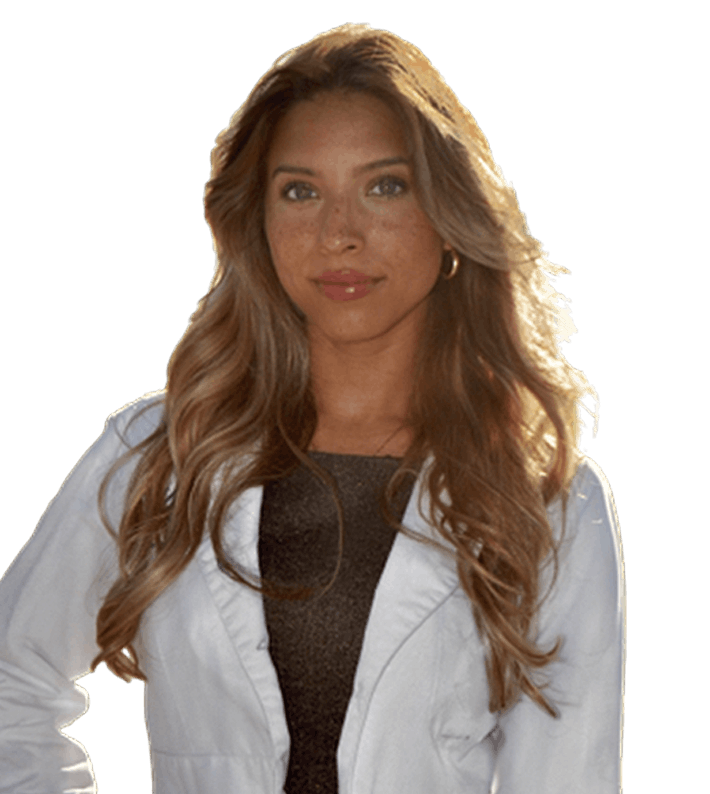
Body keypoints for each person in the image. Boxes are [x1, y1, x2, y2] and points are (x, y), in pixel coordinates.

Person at [0, 22, 624, 794]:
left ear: (450, 213)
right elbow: (10, 684)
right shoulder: (162, 451)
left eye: (385, 186)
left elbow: (566, 782)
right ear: (257, 223)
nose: (340, 235)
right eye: (301, 191)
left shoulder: (551, 501)